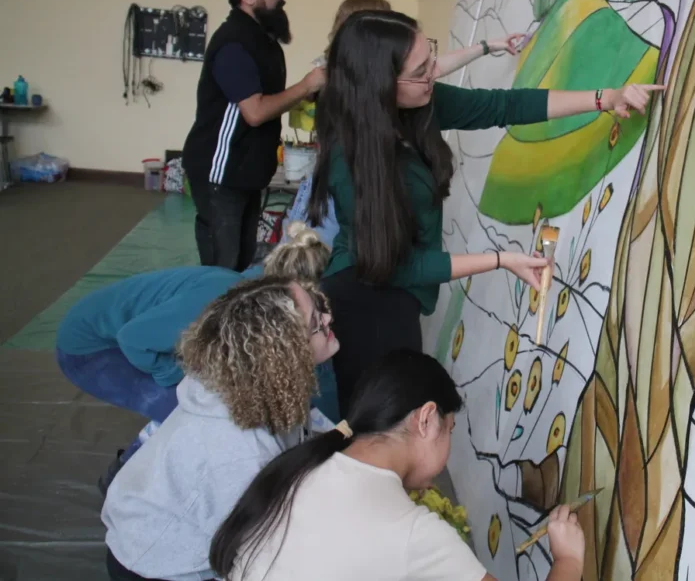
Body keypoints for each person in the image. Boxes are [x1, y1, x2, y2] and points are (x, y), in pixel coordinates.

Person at [307, 9, 661, 415]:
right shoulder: (349, 159)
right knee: (384, 425)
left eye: (431, 59)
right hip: (367, 299)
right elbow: (398, 266)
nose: (433, 75)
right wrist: (498, 259)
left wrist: (605, 98)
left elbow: (505, 107)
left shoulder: (419, 104)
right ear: (382, 85)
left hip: (399, 293)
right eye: (421, 71)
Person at [209, 349, 586, 581]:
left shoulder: (307, 465)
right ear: (426, 419)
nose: (450, 447)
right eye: (449, 429)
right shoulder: (413, 533)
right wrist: (568, 560)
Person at [55, 222, 339, 491]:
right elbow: (133, 339)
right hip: (90, 347)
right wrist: (175, 376)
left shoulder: (254, 295)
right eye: (316, 316)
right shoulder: (218, 300)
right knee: (178, 406)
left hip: (129, 334)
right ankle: (124, 477)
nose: (327, 318)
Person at [102, 276, 340, 581]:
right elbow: (254, 556)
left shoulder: (260, 390)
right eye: (316, 320)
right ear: (285, 353)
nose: (328, 317)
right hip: (155, 567)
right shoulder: (240, 452)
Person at [283, 0, 527, 247]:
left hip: (346, 188)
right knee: (311, 268)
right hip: (334, 195)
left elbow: (435, 67)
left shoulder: (358, 75)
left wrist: (487, 46)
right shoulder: (336, 78)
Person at [183, 0, 326, 271]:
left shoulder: (263, 40)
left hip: (247, 169)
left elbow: (266, 100)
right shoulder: (234, 43)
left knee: (241, 257)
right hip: (221, 171)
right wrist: (305, 86)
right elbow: (256, 112)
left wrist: (306, 95)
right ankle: (212, 316)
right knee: (222, 263)